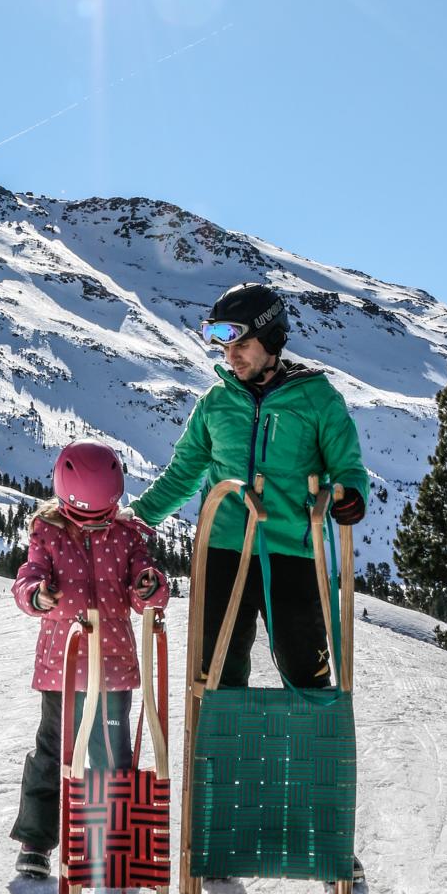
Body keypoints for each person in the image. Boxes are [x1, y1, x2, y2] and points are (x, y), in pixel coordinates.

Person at [131, 282, 368, 693]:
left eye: (239, 343)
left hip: (291, 552)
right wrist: (137, 519)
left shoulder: (317, 399)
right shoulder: (216, 402)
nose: (230, 355)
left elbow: (346, 463)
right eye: (223, 346)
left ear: (272, 337)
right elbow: (183, 473)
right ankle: (222, 754)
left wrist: (350, 493)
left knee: (304, 671)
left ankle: (311, 752)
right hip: (221, 550)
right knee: (217, 672)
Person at [9, 441, 169, 881]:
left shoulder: (128, 534)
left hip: (113, 668)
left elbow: (149, 584)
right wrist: (38, 595)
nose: (96, 525)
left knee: (112, 756)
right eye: (85, 516)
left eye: (103, 515)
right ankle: (36, 840)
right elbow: (28, 578)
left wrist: (148, 587)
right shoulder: (47, 531)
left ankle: (111, 839)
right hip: (63, 665)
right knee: (53, 751)